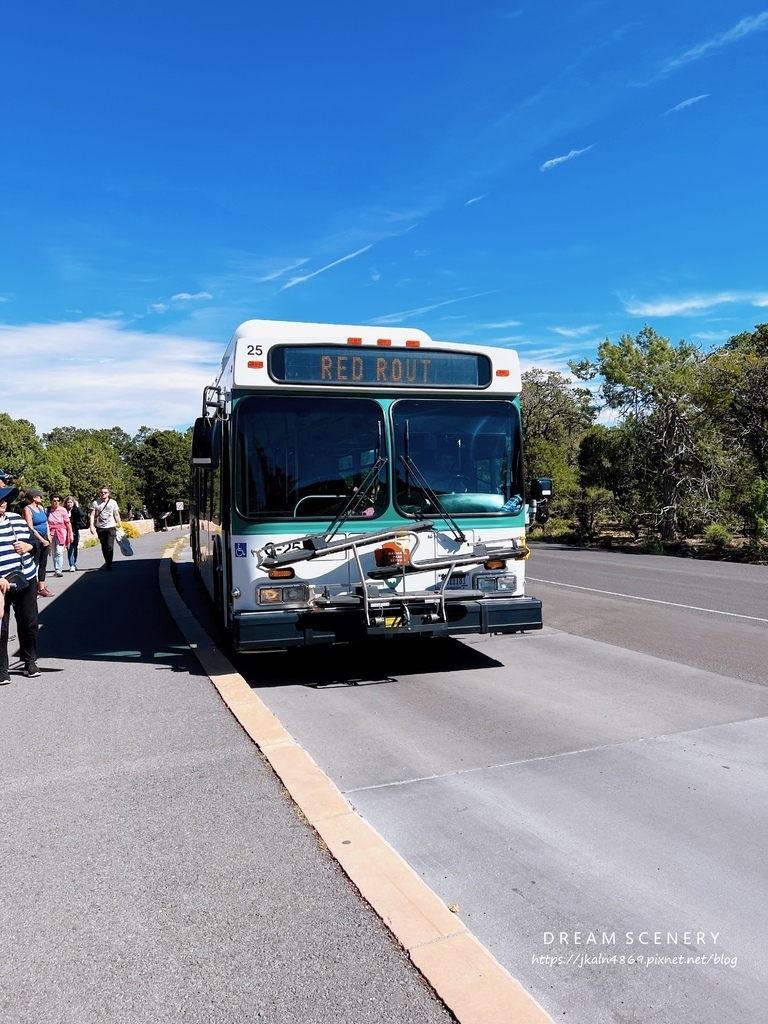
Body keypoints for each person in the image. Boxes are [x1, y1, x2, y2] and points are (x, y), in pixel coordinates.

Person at [0, 484, 41, 682]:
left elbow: (34, 544)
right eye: (0, 499)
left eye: (4, 499)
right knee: (1, 627)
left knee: (29, 622)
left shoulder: (16, 518)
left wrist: (28, 546)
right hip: (1, 583)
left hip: (26, 577)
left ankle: (30, 661)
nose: (3, 502)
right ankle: (1, 669)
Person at [21, 488, 51, 597]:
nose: (42, 498)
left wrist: (48, 536)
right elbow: (30, 527)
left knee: (43, 563)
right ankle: (31, 589)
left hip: (44, 538)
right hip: (35, 540)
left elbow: (45, 522)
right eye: (39, 496)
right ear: (34, 498)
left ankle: (41, 588)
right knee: (35, 564)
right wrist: (41, 540)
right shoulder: (27, 509)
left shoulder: (41, 508)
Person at [90, 486, 121, 571]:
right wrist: (91, 526)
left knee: (110, 546)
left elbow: (116, 514)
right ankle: (107, 561)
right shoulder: (95, 503)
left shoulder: (113, 502)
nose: (103, 494)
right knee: (104, 546)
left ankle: (109, 563)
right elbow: (92, 515)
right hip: (100, 527)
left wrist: (120, 524)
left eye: (105, 492)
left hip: (111, 526)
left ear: (108, 493)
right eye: (101, 492)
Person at [47, 494, 73, 578]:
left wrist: (71, 534)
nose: (56, 502)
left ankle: (59, 570)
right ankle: (56, 569)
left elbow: (68, 523)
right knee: (54, 552)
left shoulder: (63, 510)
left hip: (61, 532)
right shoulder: (47, 511)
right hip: (51, 532)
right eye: (54, 501)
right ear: (51, 501)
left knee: (59, 551)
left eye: (58, 501)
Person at [64, 496, 85, 571]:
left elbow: (81, 515)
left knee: (75, 548)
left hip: (75, 531)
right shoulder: (64, 511)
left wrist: (77, 506)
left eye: (71, 502)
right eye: (68, 502)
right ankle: (71, 564)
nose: (69, 504)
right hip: (66, 532)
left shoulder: (76, 510)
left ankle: (74, 562)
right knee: (69, 548)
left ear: (73, 503)